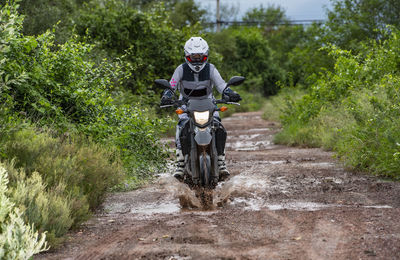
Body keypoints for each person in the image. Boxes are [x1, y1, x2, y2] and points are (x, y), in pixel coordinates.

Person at [160, 36, 241, 180]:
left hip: (208, 103)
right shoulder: (180, 69)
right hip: (186, 104)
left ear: (206, 55)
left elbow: (221, 85)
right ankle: (180, 162)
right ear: (187, 55)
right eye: (194, 56)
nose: (197, 59)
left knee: (219, 127)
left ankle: (221, 160)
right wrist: (166, 96)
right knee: (181, 126)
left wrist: (231, 93)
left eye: (200, 56)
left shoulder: (211, 69)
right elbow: (171, 86)